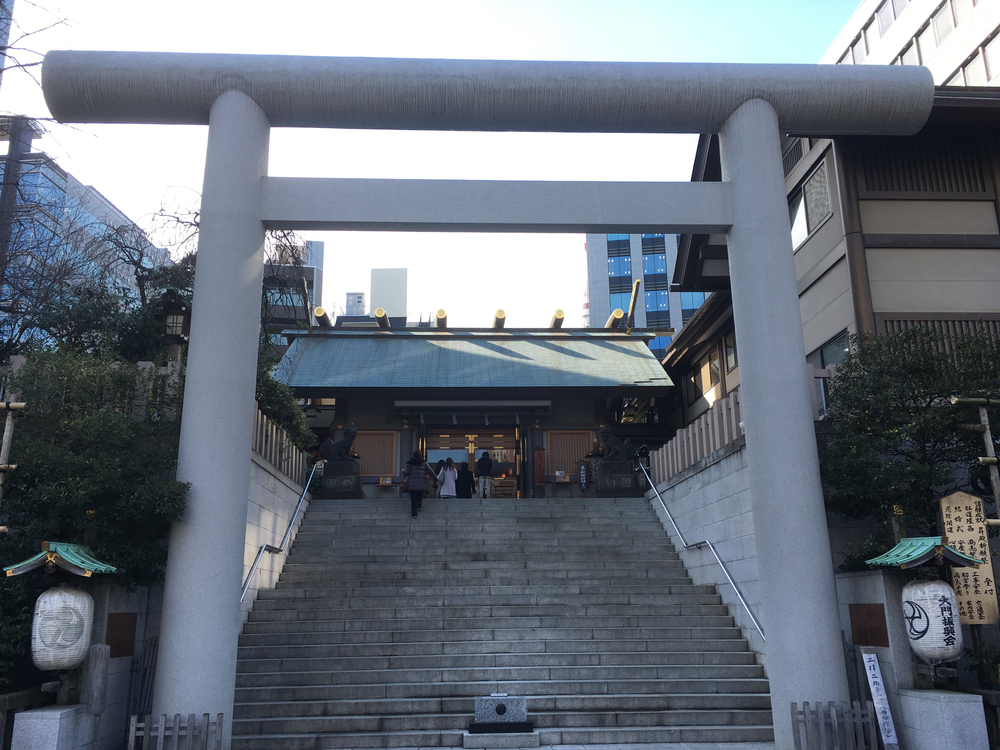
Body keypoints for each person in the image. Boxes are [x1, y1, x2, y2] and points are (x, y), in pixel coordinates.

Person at [402, 450, 437, 518]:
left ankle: (414, 514)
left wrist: (403, 471)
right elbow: (431, 471)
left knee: (413, 498)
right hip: (422, 483)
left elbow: (407, 473)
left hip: (413, 483)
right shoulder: (424, 463)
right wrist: (436, 479)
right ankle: (419, 506)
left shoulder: (410, 463)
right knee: (420, 494)